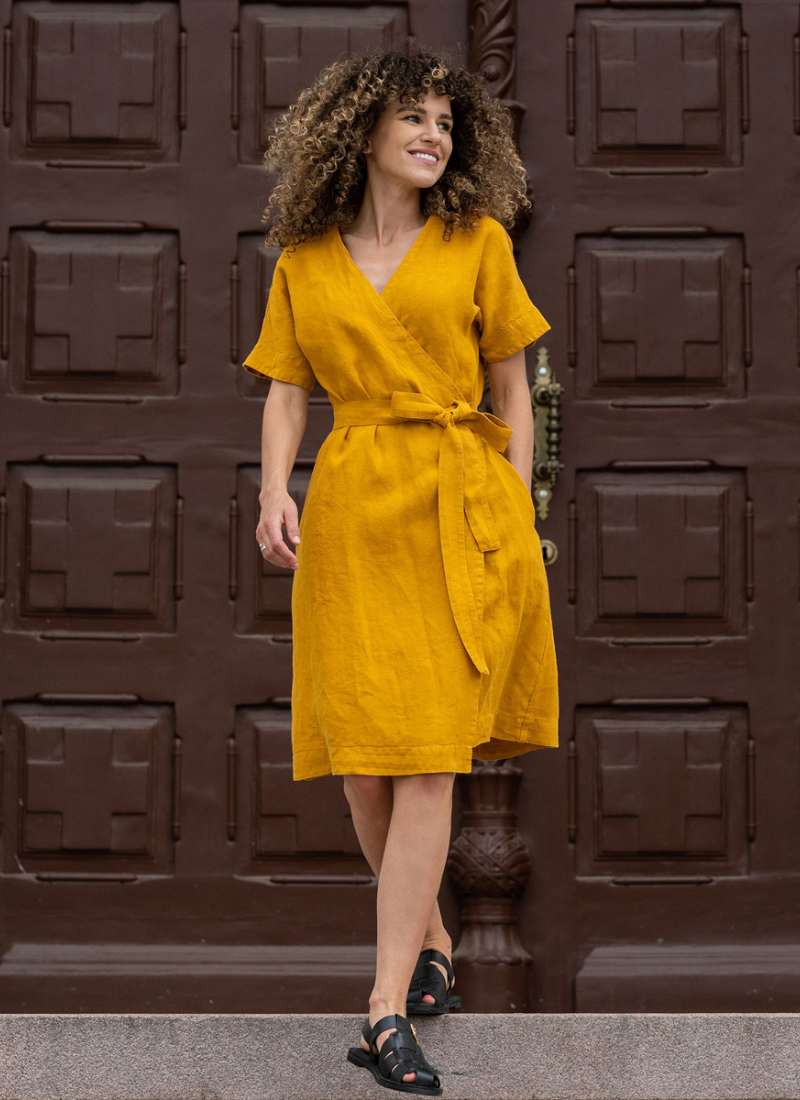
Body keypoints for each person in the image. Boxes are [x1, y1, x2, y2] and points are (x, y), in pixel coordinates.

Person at [242, 45, 559, 1096]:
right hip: (351, 510)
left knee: (427, 751)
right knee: (361, 757)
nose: (432, 135)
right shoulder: (303, 256)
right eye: (412, 119)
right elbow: (285, 386)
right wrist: (272, 486)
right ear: (359, 133)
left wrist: (513, 494)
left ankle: (383, 1004)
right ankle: (427, 933)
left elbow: (512, 386)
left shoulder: (475, 243)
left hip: (455, 503)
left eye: (444, 123)